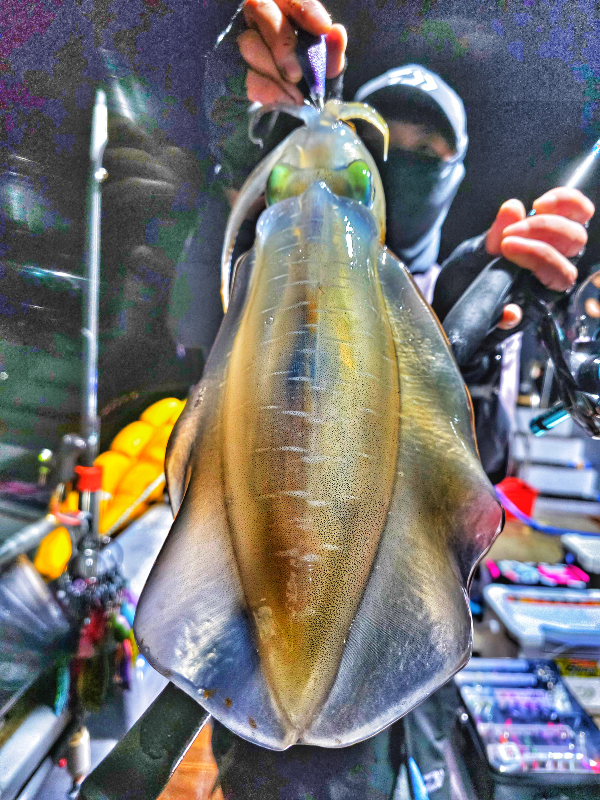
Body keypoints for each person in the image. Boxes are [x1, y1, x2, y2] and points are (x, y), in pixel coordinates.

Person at [182, 2, 595, 799]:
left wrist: (466, 337)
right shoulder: (265, 285)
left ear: (455, 172)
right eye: (389, 146)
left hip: (410, 693)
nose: (407, 159)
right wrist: (241, 143)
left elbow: (481, 478)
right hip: (267, 706)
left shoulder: (465, 293)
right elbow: (215, 290)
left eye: (428, 152)